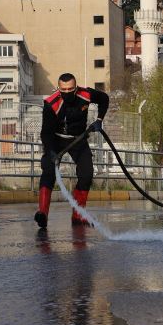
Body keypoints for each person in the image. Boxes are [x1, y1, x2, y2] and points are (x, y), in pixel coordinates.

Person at [34, 73, 109, 228]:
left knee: (87, 173)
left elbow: (104, 99)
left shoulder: (86, 94)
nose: (67, 93)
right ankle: (42, 213)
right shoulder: (50, 104)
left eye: (70, 89)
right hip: (56, 139)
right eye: (63, 90)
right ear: (58, 88)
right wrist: (50, 151)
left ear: (76, 88)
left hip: (78, 139)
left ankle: (78, 215)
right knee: (48, 170)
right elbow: (45, 132)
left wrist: (99, 120)